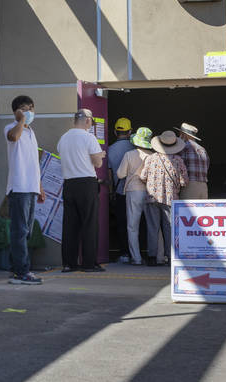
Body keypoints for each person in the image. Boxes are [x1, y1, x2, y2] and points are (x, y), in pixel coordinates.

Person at [57, 109, 106, 271]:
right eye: (91, 121)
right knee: (89, 223)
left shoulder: (63, 138)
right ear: (87, 121)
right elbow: (97, 163)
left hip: (69, 183)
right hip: (86, 183)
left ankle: (69, 263)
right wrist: (101, 155)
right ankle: (89, 263)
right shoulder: (89, 137)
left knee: (70, 225)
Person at [4, 95, 46, 285]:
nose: (29, 111)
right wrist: (21, 120)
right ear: (16, 112)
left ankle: (16, 268)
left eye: (31, 108)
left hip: (31, 187)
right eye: (24, 108)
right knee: (19, 230)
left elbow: (33, 162)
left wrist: (40, 187)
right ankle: (22, 272)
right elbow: (13, 137)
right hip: (19, 186)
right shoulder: (12, 128)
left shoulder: (31, 132)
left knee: (26, 231)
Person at [140, 131, 188, 266]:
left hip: (151, 197)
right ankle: (170, 257)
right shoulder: (178, 160)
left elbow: (143, 176)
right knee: (170, 228)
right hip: (170, 199)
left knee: (152, 227)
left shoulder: (150, 158)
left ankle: (152, 257)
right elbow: (184, 181)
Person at [116, 127, 154, 265]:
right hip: (151, 192)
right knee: (153, 225)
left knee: (132, 226)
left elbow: (120, 174)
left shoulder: (129, 155)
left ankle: (136, 258)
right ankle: (156, 255)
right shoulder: (153, 156)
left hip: (133, 192)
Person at [106, 117, 134, 261]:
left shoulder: (109, 150)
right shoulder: (136, 149)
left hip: (119, 192)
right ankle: (137, 253)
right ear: (130, 132)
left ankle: (124, 253)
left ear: (115, 132)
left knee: (122, 223)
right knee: (137, 223)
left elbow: (110, 175)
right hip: (136, 191)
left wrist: (110, 193)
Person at [177, 122, 209, 199]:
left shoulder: (183, 147)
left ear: (183, 134)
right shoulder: (202, 149)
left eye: (180, 133)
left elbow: (178, 167)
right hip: (203, 186)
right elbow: (207, 166)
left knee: (186, 210)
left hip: (189, 186)